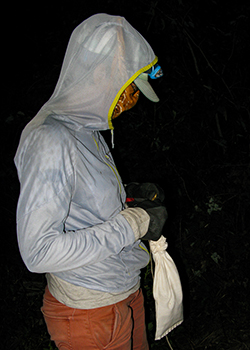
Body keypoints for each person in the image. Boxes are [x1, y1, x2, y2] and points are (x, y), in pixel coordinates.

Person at [14, 14, 167, 350]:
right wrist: (132, 224)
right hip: (89, 315)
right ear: (101, 73)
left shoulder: (87, 127)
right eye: (127, 88)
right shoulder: (50, 138)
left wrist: (126, 200)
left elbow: (80, 203)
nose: (131, 101)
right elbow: (38, 252)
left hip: (125, 293)